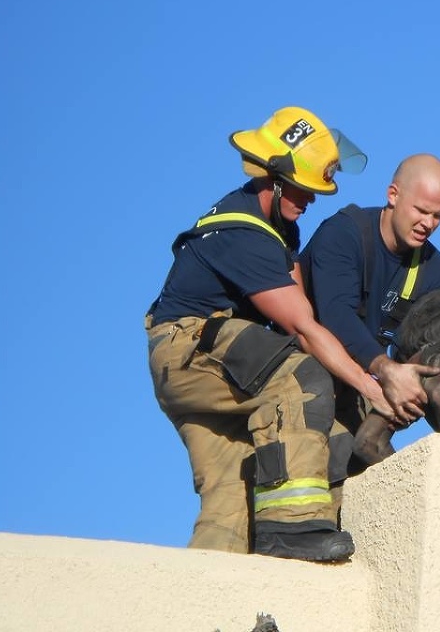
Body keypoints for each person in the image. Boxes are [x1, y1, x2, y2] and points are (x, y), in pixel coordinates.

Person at [145, 106, 394, 562]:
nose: (311, 199)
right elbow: (301, 329)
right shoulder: (247, 236)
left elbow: (305, 314)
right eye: (302, 188)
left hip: (194, 369)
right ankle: (293, 529)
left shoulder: (280, 229)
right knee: (302, 381)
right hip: (190, 348)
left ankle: (206, 604)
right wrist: (368, 386)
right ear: (273, 177)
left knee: (232, 496)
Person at [299, 154, 440, 473]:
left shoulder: (433, 268)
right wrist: (386, 370)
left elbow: (428, 346)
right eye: (421, 211)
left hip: (358, 388)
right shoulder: (344, 234)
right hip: (303, 371)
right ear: (393, 195)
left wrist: (410, 387)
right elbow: (335, 316)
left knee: (379, 475)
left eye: (438, 216)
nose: (428, 224)